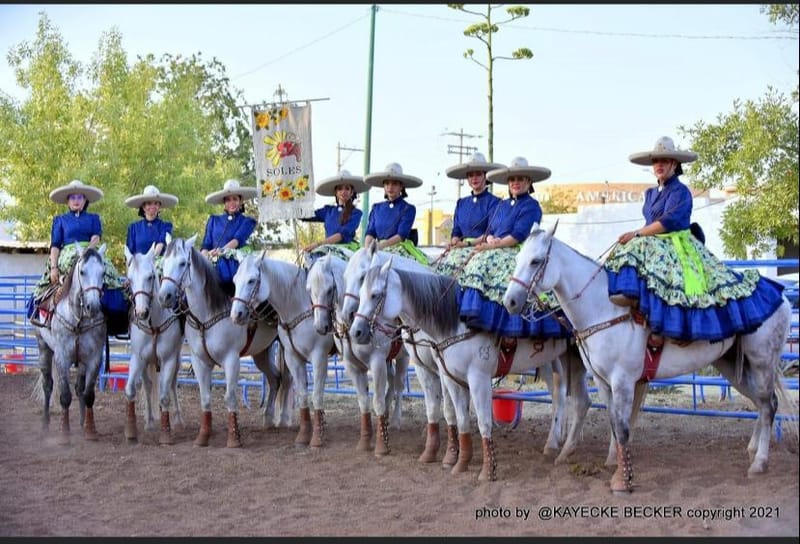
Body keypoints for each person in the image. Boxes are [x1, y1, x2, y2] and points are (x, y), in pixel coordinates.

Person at [606, 136, 786, 351]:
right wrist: (637, 237)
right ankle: (637, 315)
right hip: (651, 242)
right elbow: (650, 220)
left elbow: (668, 222)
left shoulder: (681, 191)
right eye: (656, 161)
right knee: (627, 257)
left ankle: (675, 331)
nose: (659, 165)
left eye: (665, 160)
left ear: (674, 164)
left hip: (677, 243)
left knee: (682, 283)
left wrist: (637, 234)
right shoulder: (650, 193)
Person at [457, 157, 568, 338]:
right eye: (512, 180)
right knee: (469, 264)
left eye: (520, 179)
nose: (515, 183)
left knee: (492, 270)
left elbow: (519, 234)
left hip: (516, 251)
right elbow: (491, 229)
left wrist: (494, 245)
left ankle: (507, 329)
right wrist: (491, 239)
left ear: (528, 182)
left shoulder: (532, 206)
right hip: (494, 247)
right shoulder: (502, 204)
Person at [29, 179, 126, 329]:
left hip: (90, 251)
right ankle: (46, 317)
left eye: (79, 197)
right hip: (67, 254)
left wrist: (89, 248)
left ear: (85, 200)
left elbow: (96, 237)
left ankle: (110, 319)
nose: (76, 201)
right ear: (68, 201)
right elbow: (55, 245)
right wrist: (54, 267)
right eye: (73, 198)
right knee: (47, 285)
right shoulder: (60, 220)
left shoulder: (93, 218)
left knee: (107, 275)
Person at [432, 152, 503, 277]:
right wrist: (454, 240)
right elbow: (457, 229)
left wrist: (467, 244)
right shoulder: (462, 203)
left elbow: (490, 232)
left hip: (481, 249)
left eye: (478, 174)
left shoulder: (494, 202)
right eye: (470, 175)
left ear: (485, 176)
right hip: (459, 249)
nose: (474, 178)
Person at [200, 178, 258, 297]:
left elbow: (237, 240)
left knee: (228, 277)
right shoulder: (213, 220)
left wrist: (221, 251)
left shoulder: (247, 221)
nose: (232, 203)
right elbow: (206, 244)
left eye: (235, 199)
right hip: (211, 260)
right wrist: (205, 256)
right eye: (228, 200)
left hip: (233, 263)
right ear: (224, 202)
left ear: (240, 201)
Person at [363, 162, 428, 264]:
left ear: (401, 186)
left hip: (398, 249)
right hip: (376, 249)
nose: (390, 187)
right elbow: (370, 231)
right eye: (387, 184)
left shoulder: (409, 208)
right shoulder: (376, 208)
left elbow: (401, 235)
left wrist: (380, 246)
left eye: (394, 184)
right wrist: (367, 249)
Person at [301, 169, 368, 262]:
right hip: (327, 248)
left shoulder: (356, 213)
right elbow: (305, 215)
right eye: (340, 188)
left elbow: (342, 234)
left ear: (352, 192)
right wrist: (295, 203)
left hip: (347, 249)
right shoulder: (328, 210)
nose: (343, 191)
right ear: (335, 192)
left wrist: (318, 244)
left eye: (347, 188)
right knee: (310, 259)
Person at [124, 184, 178, 257]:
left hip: (157, 266)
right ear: (143, 207)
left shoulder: (166, 226)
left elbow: (160, 245)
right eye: (149, 203)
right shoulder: (133, 228)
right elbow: (129, 253)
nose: (153, 206)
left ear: (159, 206)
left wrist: (150, 261)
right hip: (137, 266)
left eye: (156, 203)